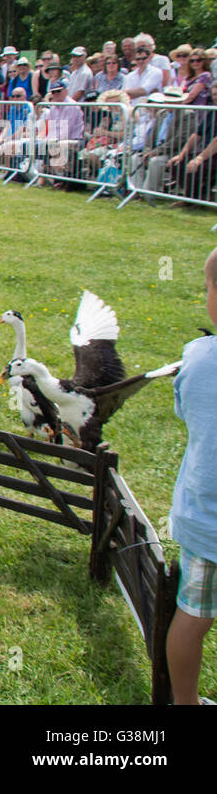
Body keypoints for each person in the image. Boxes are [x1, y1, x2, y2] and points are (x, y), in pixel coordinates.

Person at [166, 246, 217, 705]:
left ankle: (185, 702)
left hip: (206, 522)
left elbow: (185, 407)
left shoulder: (197, 357)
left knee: (193, 616)